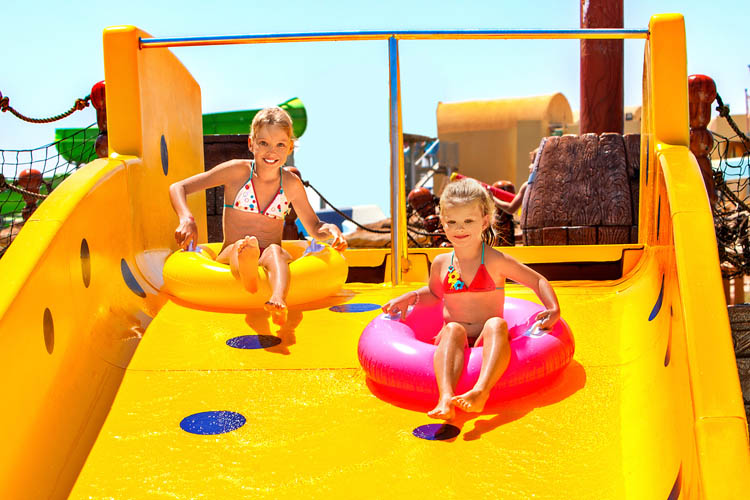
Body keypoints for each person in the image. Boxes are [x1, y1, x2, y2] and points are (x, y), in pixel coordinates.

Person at [381, 178, 560, 420]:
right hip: (454, 340)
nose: (459, 228)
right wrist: (411, 296)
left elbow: (537, 280)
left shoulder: (495, 260)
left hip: (486, 341)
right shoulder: (442, 263)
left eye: (468, 221)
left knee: (496, 324)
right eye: (452, 222)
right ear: (442, 222)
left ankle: (480, 391)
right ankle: (445, 397)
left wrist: (553, 308)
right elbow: (434, 294)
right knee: (453, 328)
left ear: (484, 221)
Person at [169, 107, 347, 324]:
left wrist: (330, 230)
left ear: (290, 147)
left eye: (280, 144)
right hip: (231, 251)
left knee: (275, 252)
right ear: (251, 143)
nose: (271, 152)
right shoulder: (237, 172)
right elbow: (178, 187)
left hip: (268, 254)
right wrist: (186, 218)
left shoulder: (290, 184)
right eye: (263, 143)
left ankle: (277, 298)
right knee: (242, 248)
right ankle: (249, 274)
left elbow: (314, 226)